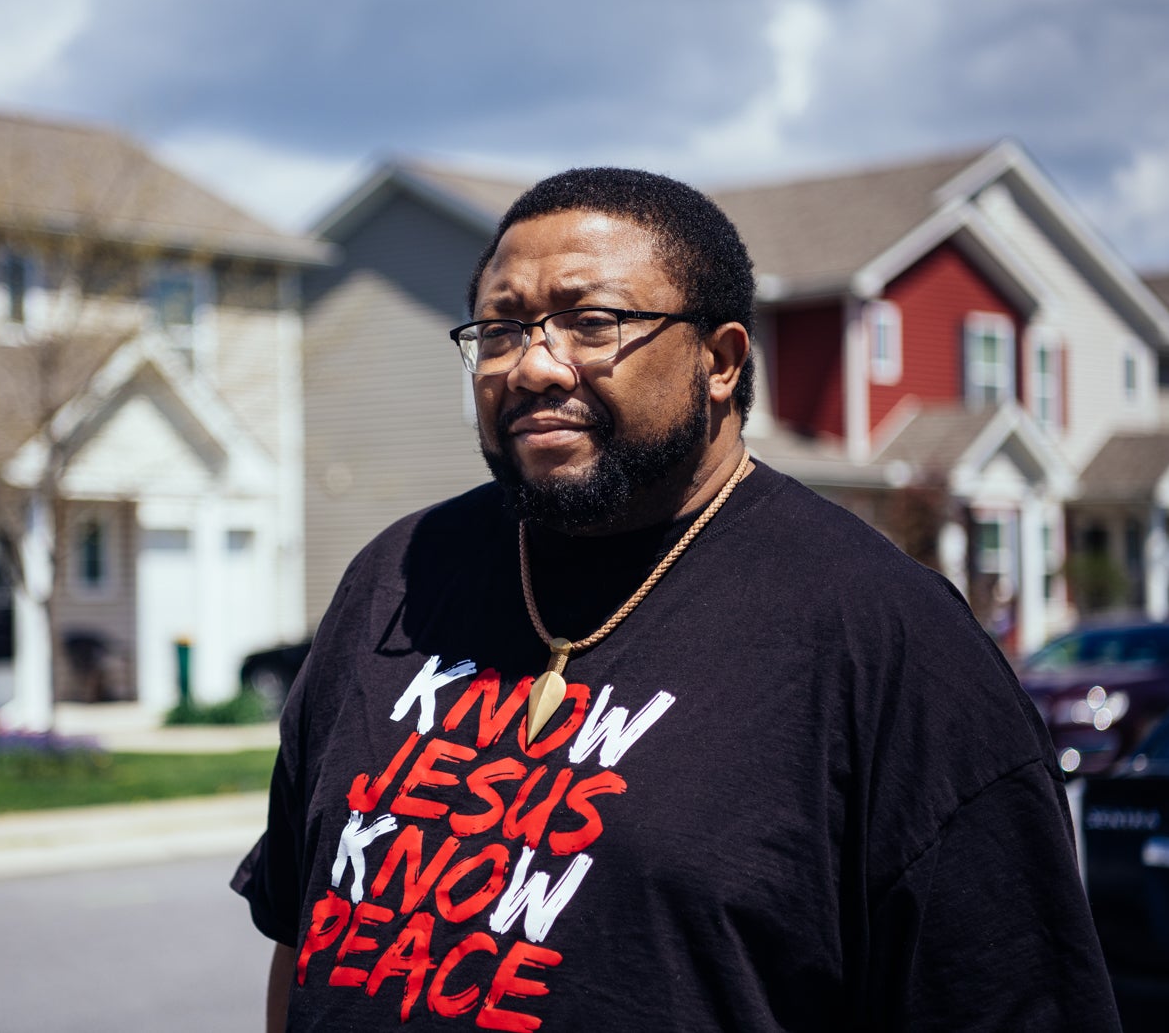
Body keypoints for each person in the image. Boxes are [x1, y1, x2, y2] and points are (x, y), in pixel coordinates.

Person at [233, 167, 1120, 1031]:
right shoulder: (397, 577)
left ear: (720, 360)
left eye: (593, 322)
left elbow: (1007, 993)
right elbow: (299, 933)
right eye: (501, 330)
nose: (535, 366)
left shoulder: (887, 639)